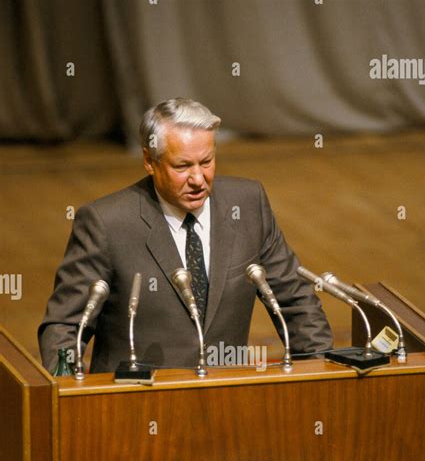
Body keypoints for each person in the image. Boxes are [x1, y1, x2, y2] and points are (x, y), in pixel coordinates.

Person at [38, 98, 332, 373]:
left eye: (206, 162)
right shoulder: (106, 223)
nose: (198, 179)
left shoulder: (248, 205)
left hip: (227, 399)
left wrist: (320, 373)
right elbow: (65, 327)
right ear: (149, 161)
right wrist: (68, 395)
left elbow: (296, 301)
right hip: (134, 405)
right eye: (182, 166)